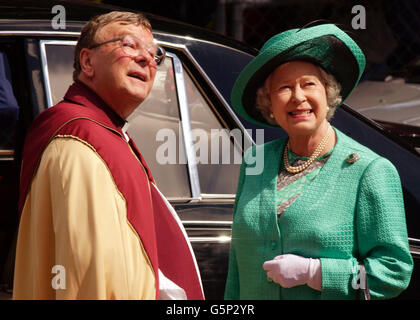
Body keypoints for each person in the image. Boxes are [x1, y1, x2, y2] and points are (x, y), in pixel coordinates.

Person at [13, 11, 204, 300]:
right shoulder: (78, 140)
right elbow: (84, 270)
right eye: (129, 45)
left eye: (155, 54)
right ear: (88, 62)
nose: (146, 59)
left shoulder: (105, 133)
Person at [224, 23, 413, 300]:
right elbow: (237, 268)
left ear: (328, 94)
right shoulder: (256, 160)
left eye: (308, 84)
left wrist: (315, 273)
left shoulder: (369, 171)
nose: (298, 96)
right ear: (270, 105)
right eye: (284, 88)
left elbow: (394, 271)